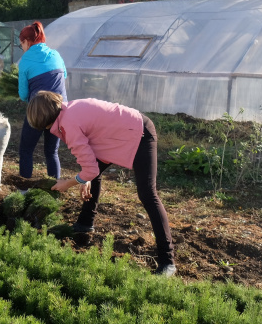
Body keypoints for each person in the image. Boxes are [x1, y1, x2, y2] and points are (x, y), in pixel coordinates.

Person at [26, 90, 177, 276]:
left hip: (138, 133)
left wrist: (69, 182)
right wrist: (85, 176)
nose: (48, 131)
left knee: (148, 195)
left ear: (45, 120)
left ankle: (167, 261)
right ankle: (85, 223)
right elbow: (89, 164)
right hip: (116, 135)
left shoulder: (68, 124)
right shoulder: (67, 111)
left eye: (46, 128)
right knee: (92, 175)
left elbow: (89, 169)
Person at [17, 21, 67, 179]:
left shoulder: (25, 61)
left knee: (26, 149)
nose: (22, 48)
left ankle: (24, 190)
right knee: (52, 152)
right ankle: (55, 189)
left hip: (38, 110)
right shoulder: (55, 54)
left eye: (21, 45)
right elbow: (63, 76)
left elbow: (23, 94)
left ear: (26, 42)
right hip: (60, 110)